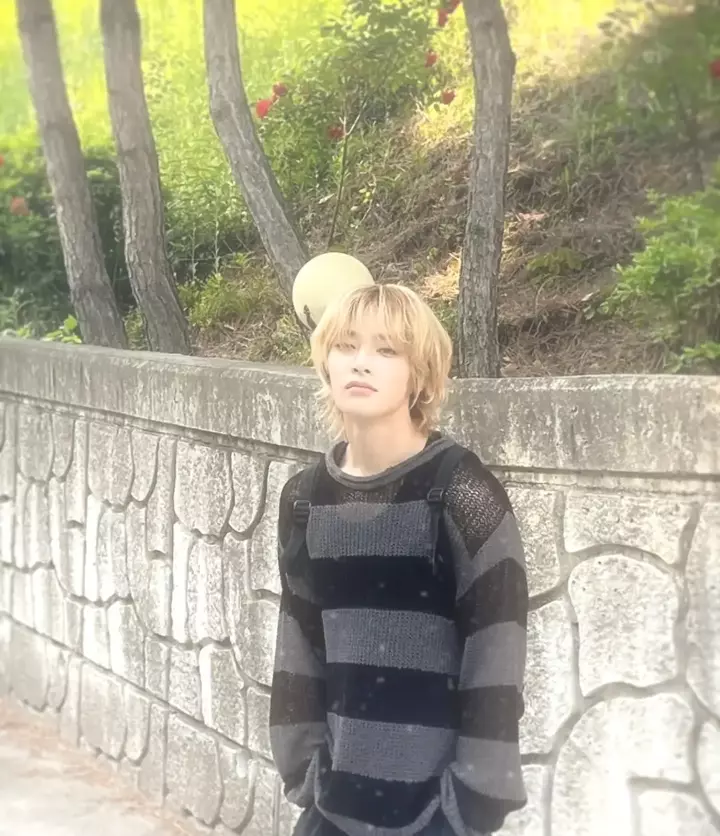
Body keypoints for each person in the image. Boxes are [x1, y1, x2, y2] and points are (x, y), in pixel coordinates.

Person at [269, 283, 528, 836]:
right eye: (346, 345)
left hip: (435, 816)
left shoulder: (463, 494)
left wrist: (470, 805)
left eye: (386, 350)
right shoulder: (304, 500)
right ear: (325, 362)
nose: (361, 362)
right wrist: (305, 773)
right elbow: (298, 644)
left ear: (421, 375)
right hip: (332, 809)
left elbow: (497, 656)